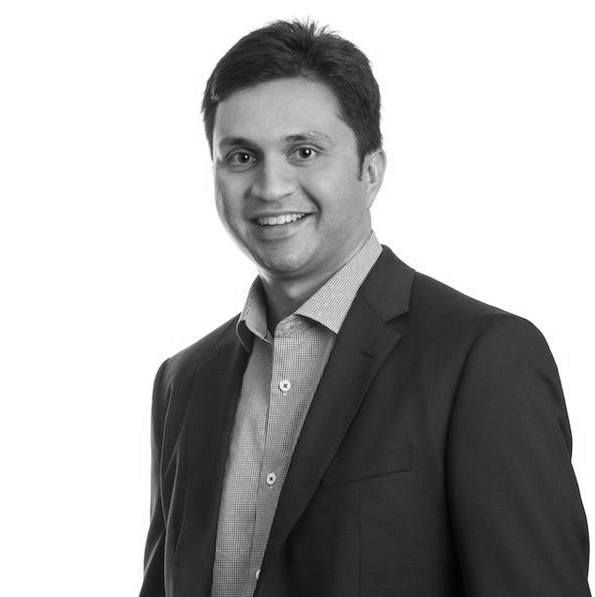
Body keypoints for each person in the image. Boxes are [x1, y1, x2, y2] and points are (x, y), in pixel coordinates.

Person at [138, 19, 591, 597]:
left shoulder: (481, 358)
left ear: (370, 171)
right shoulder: (182, 383)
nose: (270, 187)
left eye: (304, 151)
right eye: (241, 156)